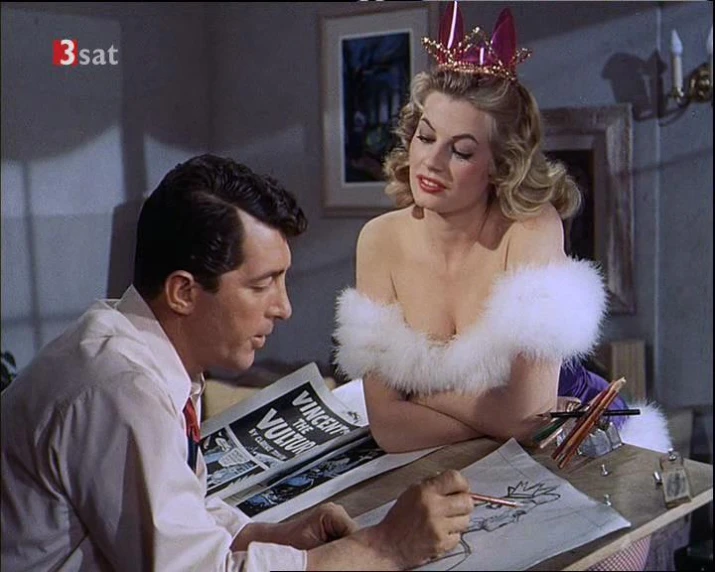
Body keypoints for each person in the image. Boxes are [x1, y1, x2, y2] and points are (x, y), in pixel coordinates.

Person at [1, 155, 474, 571]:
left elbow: (174, 512)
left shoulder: (132, 345)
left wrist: (267, 537)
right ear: (183, 291)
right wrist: (385, 548)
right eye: (261, 284)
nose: (283, 308)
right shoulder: (120, 391)